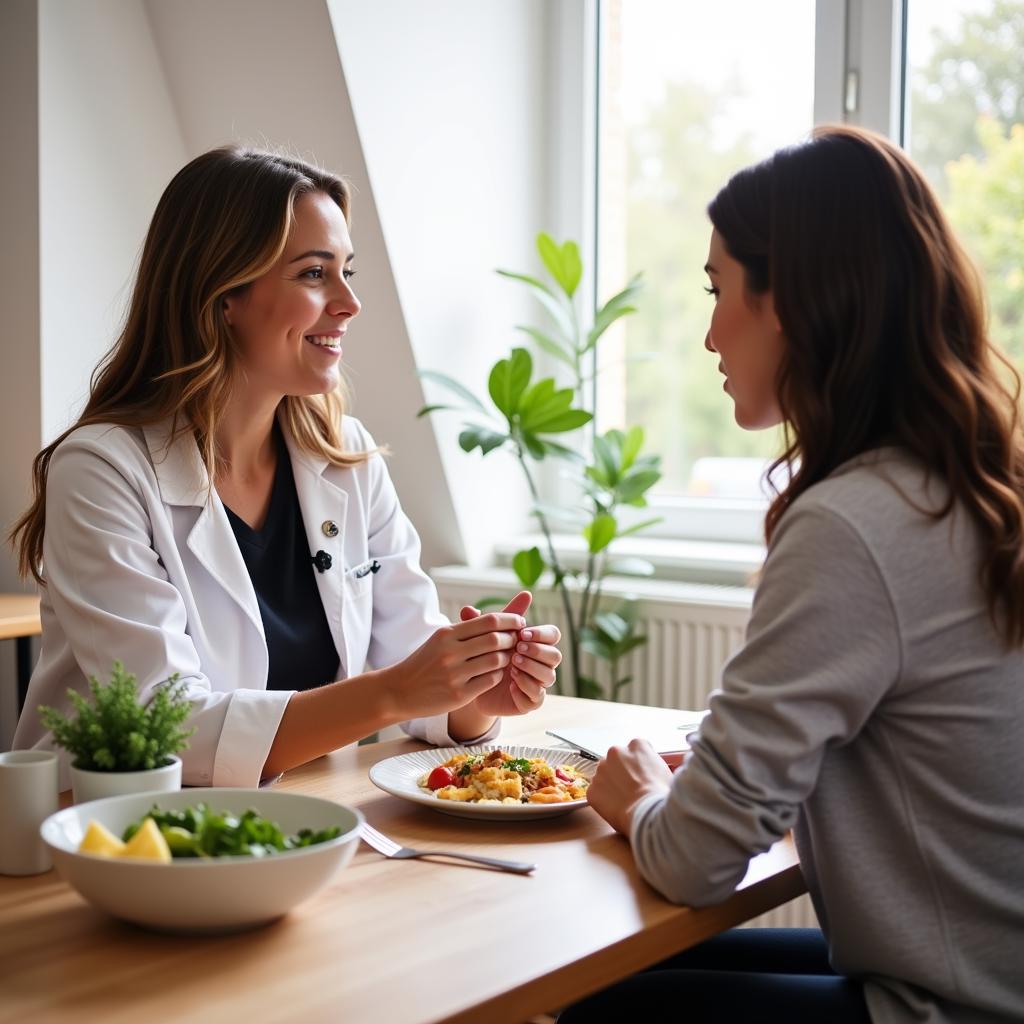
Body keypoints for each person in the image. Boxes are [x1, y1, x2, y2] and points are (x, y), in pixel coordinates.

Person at [562, 125, 1024, 1023]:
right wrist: (716, 771)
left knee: (592, 1007)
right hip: (993, 971)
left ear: (787, 301)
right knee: (606, 978)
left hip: (956, 1005)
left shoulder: (856, 522)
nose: (707, 333)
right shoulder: (971, 483)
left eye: (718, 289)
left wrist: (639, 801)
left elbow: (694, 861)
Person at [10, 146, 562, 790]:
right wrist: (396, 692)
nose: (350, 303)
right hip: (108, 835)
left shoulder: (344, 457)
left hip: (292, 819)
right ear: (222, 296)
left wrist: (475, 691)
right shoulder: (102, 471)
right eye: (313, 274)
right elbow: (169, 728)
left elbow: (411, 661)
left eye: (347, 272)